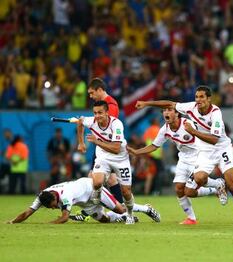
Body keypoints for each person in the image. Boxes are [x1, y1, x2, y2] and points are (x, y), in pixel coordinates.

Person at [135, 85, 233, 228]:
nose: (198, 100)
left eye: (202, 97)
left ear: (209, 99)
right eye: (196, 97)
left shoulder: (215, 113)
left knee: (232, 184)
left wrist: (193, 132)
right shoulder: (190, 107)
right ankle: (217, 185)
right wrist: (147, 104)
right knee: (199, 179)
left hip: (223, 149)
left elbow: (214, 139)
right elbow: (169, 103)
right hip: (205, 151)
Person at [128, 107, 221, 225]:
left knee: (190, 191)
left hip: (198, 157)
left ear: (177, 113)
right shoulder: (165, 129)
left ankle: (217, 185)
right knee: (179, 189)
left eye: (169, 110)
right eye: (164, 111)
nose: (166, 112)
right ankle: (191, 218)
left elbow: (204, 135)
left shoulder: (188, 124)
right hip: (183, 158)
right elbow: (154, 146)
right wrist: (136, 152)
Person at [76, 100, 136, 224]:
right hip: (103, 156)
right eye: (95, 113)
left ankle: (129, 214)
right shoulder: (91, 121)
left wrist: (96, 141)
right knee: (96, 182)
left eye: (100, 113)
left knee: (126, 192)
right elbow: (80, 122)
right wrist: (81, 143)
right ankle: (97, 195)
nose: (97, 116)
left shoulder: (116, 124)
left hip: (120, 158)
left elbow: (116, 148)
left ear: (107, 113)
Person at [74, 77, 124, 222]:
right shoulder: (102, 105)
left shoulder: (111, 105)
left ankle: (87, 213)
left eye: (91, 93)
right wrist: (82, 140)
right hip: (101, 148)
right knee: (111, 179)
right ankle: (121, 210)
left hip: (107, 149)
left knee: (92, 179)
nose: (90, 96)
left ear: (100, 90)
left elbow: (107, 125)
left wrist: (88, 122)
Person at [7, 177, 145, 224]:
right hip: (84, 201)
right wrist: (13, 221)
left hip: (91, 188)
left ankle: (146, 208)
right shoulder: (43, 197)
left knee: (120, 209)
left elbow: (65, 218)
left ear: (55, 198)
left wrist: (49, 223)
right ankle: (122, 218)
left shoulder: (65, 195)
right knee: (104, 220)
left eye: (53, 206)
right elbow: (27, 213)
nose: (54, 208)